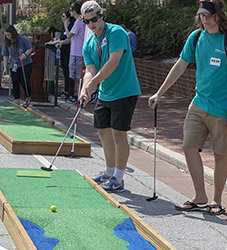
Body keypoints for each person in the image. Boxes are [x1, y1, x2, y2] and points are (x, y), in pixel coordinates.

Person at [148, 0, 227, 215]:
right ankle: (199, 195)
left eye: (209, 15)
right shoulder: (196, 37)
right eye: (202, 15)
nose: (205, 19)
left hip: (223, 109)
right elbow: (180, 65)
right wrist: (159, 93)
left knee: (220, 154)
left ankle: (216, 199)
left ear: (219, 15)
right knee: (189, 147)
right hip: (198, 104)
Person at [79, 1, 141, 192]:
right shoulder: (89, 43)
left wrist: (93, 83)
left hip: (125, 90)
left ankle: (119, 178)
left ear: (101, 15)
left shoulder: (116, 33)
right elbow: (90, 70)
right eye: (87, 21)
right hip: (106, 93)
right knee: (103, 131)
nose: (91, 24)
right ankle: (108, 172)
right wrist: (84, 89)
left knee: (118, 134)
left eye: (94, 19)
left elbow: (113, 62)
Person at [56, 2, 86, 103]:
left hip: (78, 53)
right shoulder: (78, 22)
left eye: (70, 10)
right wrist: (61, 42)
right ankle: (78, 93)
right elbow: (70, 39)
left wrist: (65, 25)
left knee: (77, 76)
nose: (70, 12)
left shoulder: (78, 22)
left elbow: (69, 35)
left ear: (74, 11)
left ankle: (84, 92)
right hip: (73, 52)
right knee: (72, 75)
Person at [2, 25, 33, 105]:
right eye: (6, 35)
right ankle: (16, 99)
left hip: (25, 64)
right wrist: (5, 68)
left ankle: (28, 97)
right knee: (15, 82)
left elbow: (30, 48)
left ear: (13, 33)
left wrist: (25, 55)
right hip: (14, 65)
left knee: (24, 81)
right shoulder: (7, 43)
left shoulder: (22, 39)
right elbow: (5, 55)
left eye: (9, 35)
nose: (8, 37)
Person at [56, 11, 75, 100]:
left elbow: (69, 37)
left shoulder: (71, 26)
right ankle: (66, 90)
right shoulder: (63, 27)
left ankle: (70, 92)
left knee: (69, 71)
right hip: (63, 51)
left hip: (69, 51)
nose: (62, 18)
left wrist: (66, 26)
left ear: (68, 17)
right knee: (64, 71)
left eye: (63, 16)